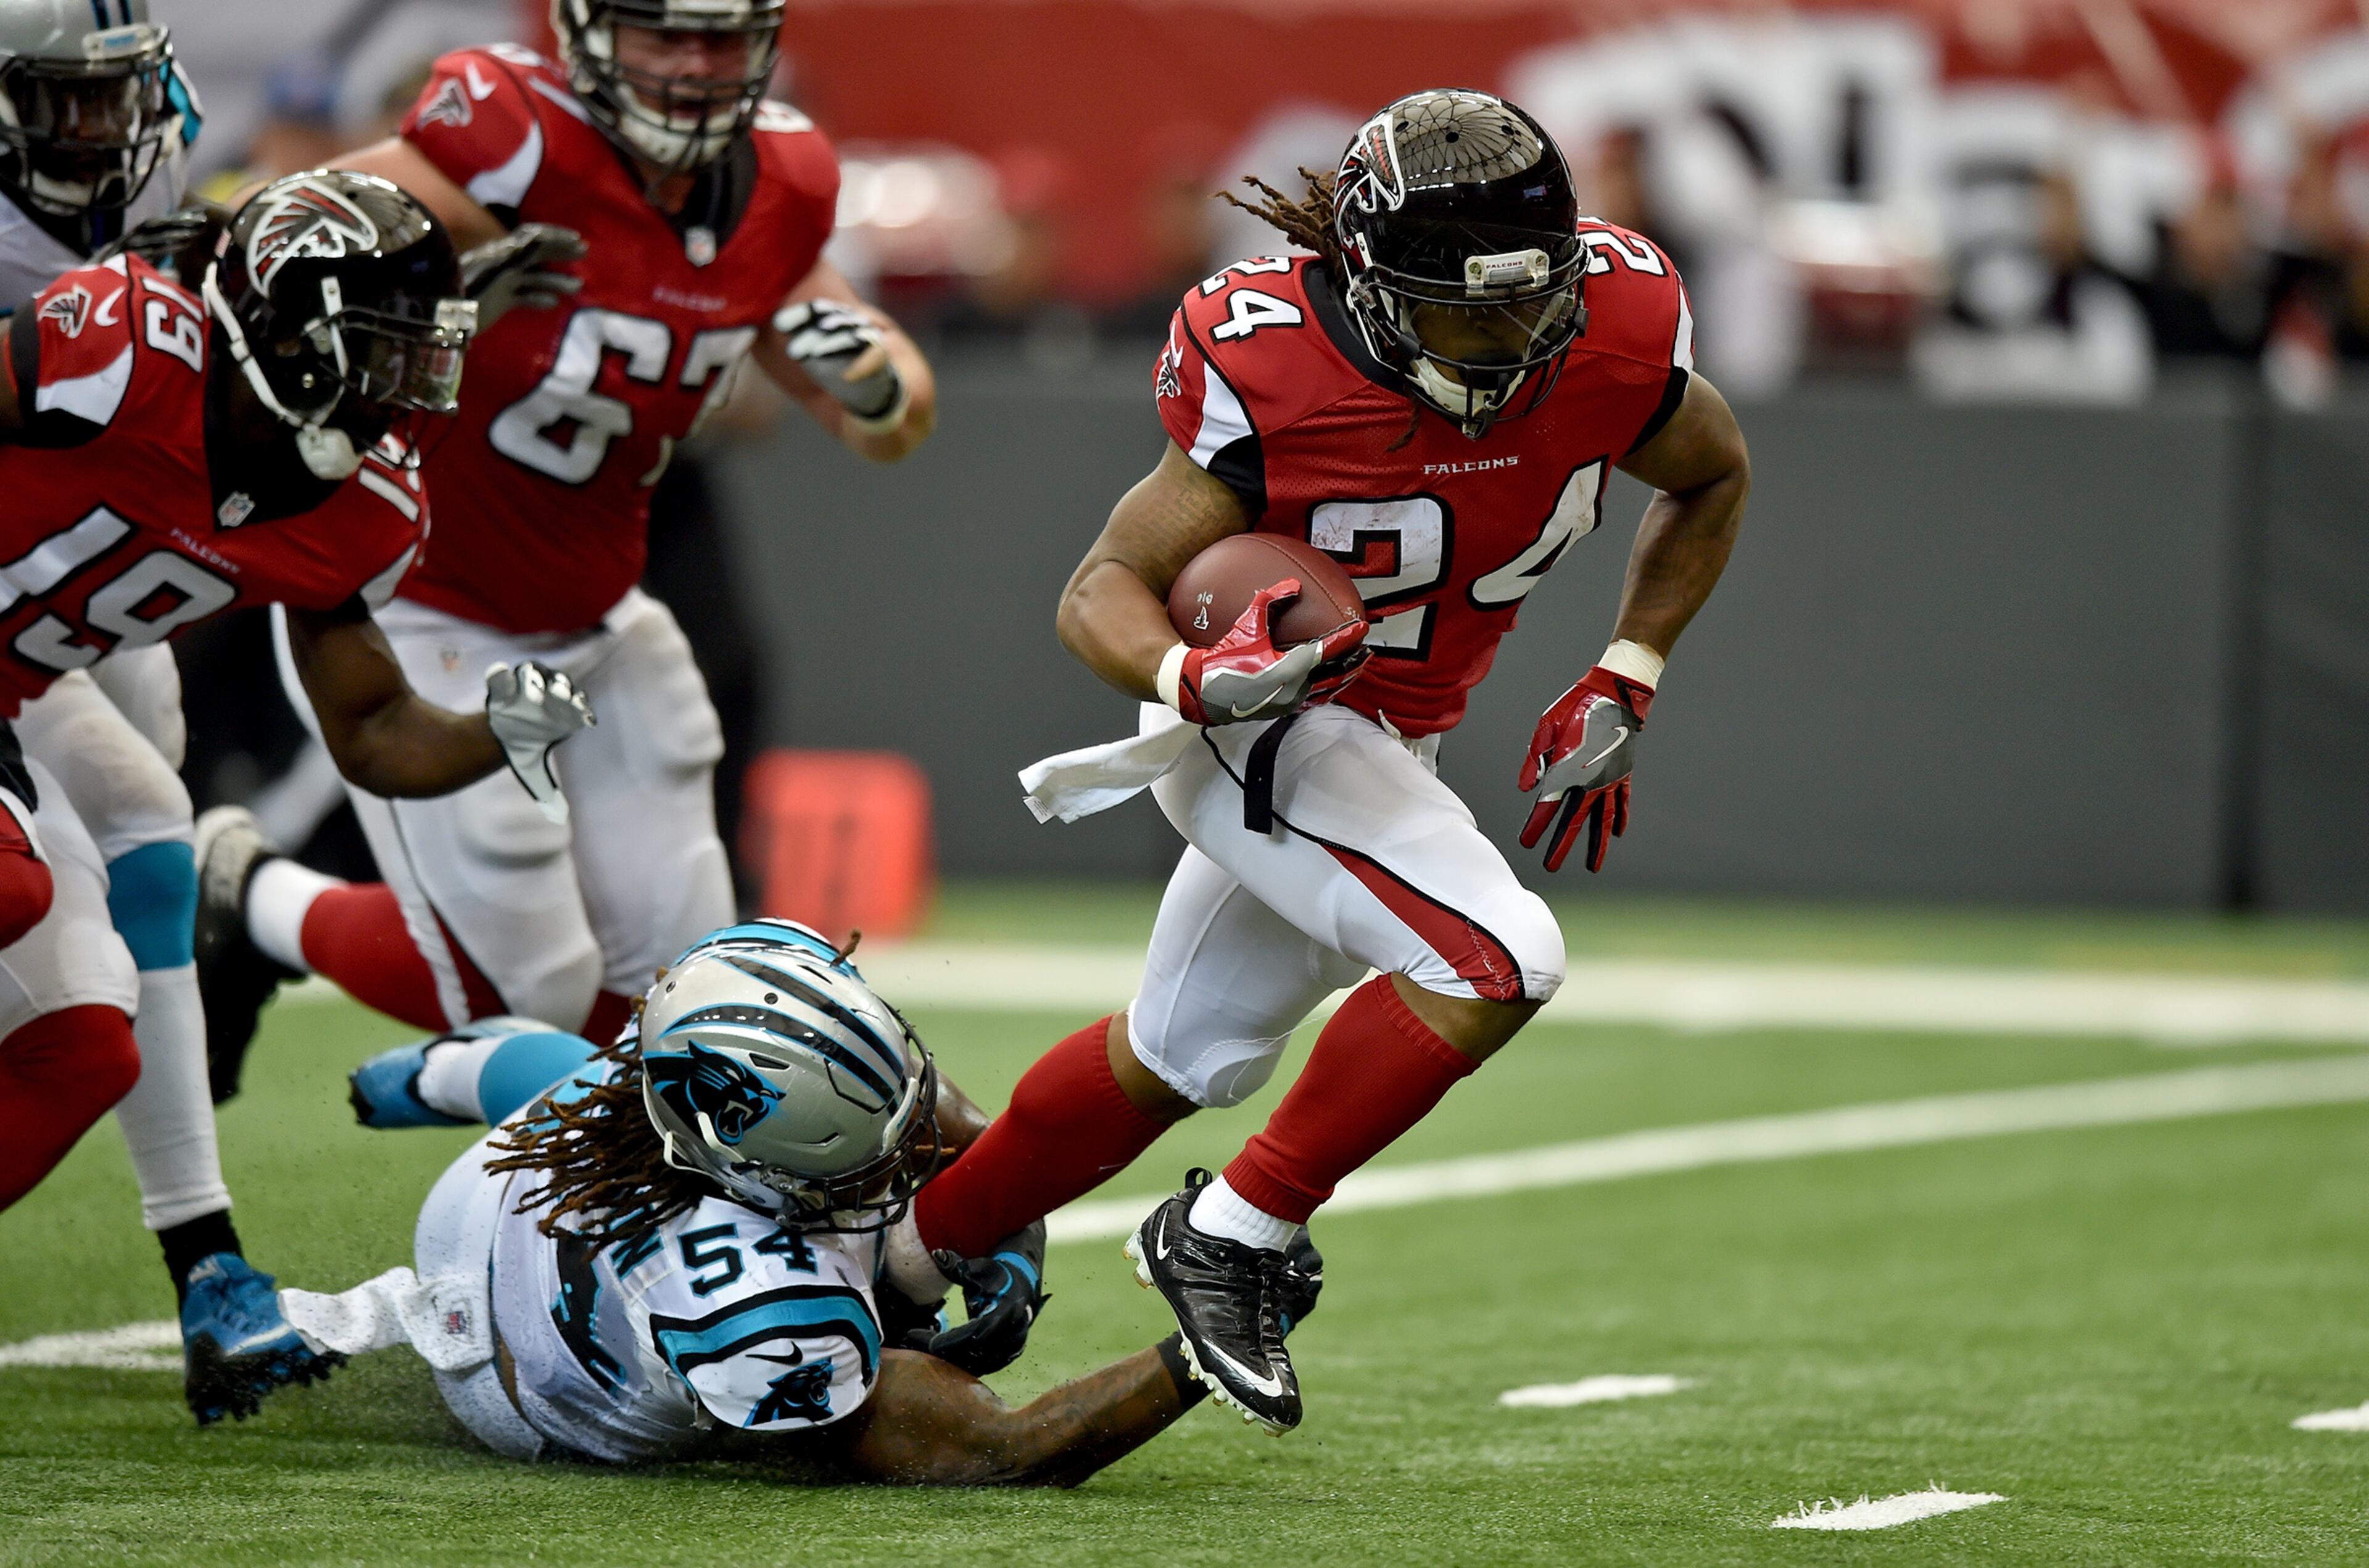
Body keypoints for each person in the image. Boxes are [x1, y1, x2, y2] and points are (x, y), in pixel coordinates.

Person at [901, 90, 1751, 1432]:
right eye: (1467, 311)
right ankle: (1231, 1233)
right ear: (1371, 280)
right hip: (1261, 717)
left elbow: (1712, 471)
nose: (1510, 342)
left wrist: (1629, 665)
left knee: (1181, 1051)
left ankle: (901, 1260)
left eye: (1533, 303)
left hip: (1385, 737)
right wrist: (1195, 674)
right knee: (1497, 955)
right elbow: (1104, 583)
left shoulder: (1619, 327)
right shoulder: (1271, 359)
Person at [197, 0, 938, 1075]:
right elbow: (266, 255)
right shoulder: (514, 137)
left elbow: (887, 424)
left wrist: (879, 385)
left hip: (602, 613)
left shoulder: (782, 178)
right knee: (519, 988)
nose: (694, 65)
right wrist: (428, 298)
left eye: (722, 37)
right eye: (662, 34)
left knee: (686, 978)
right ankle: (255, 895)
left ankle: (639, 1199)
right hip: (426, 595)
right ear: (588, 32)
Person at [0, 168, 595, 1426]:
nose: (403, 391)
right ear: (285, 330)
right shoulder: (127, 343)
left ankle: (207, 1265)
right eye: (377, 353)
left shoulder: (354, 502)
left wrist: (502, 730)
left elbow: (375, 730)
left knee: (82, 1040)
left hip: (16, 682)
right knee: (20, 880)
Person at [281, 921, 1320, 1481]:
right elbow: (997, 1446)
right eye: (859, 1157)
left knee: (570, 1074)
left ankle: (421, 1076)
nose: (918, 1140)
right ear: (752, 1176)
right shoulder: (765, 1307)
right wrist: (1194, 1359)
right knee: (886, 1293)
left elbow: (948, 1121)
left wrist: (1017, 1245)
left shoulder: (711, 1028)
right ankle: (432, 1078)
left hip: (500, 1181)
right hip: (521, 1387)